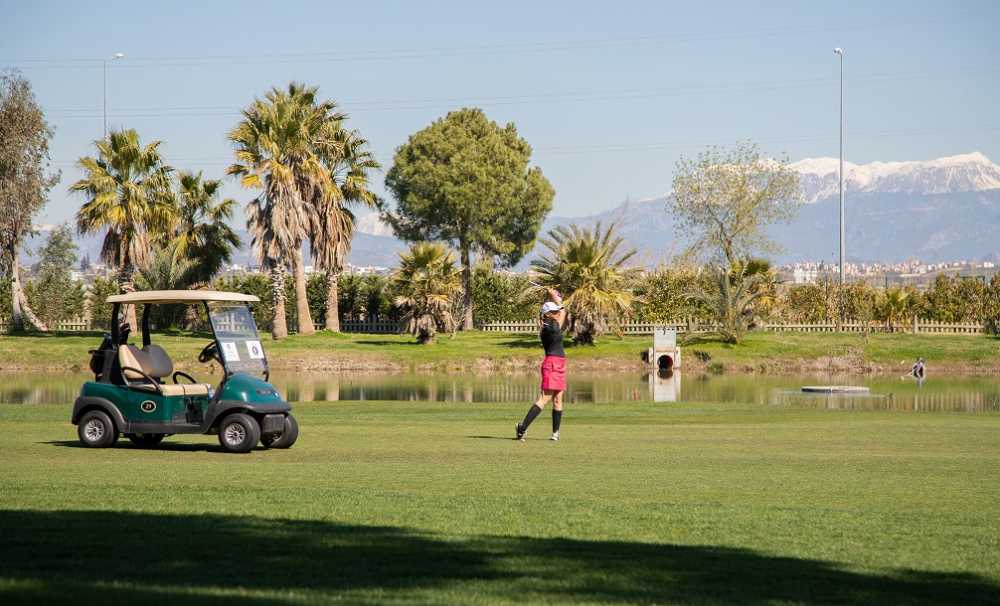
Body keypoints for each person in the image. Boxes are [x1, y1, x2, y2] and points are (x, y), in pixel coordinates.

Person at [516, 288, 567, 442]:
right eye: (554, 311)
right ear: (547, 314)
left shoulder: (550, 324)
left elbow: (561, 310)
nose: (557, 313)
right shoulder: (550, 327)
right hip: (552, 364)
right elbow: (564, 311)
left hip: (559, 364)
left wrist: (555, 298)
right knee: (545, 398)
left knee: (558, 398)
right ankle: (522, 428)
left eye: (555, 311)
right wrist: (555, 296)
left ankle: (555, 433)